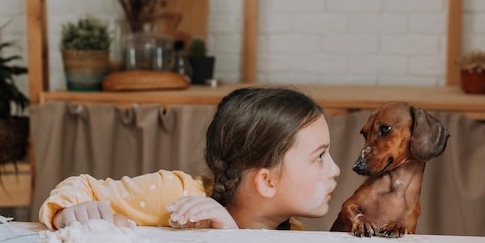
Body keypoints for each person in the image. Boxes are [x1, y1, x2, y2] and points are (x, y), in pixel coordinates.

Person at [39, 86, 340, 231]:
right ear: (267, 180)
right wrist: (66, 211)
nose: (335, 169)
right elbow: (82, 187)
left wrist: (230, 239)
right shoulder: (177, 197)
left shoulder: (294, 234)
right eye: (320, 156)